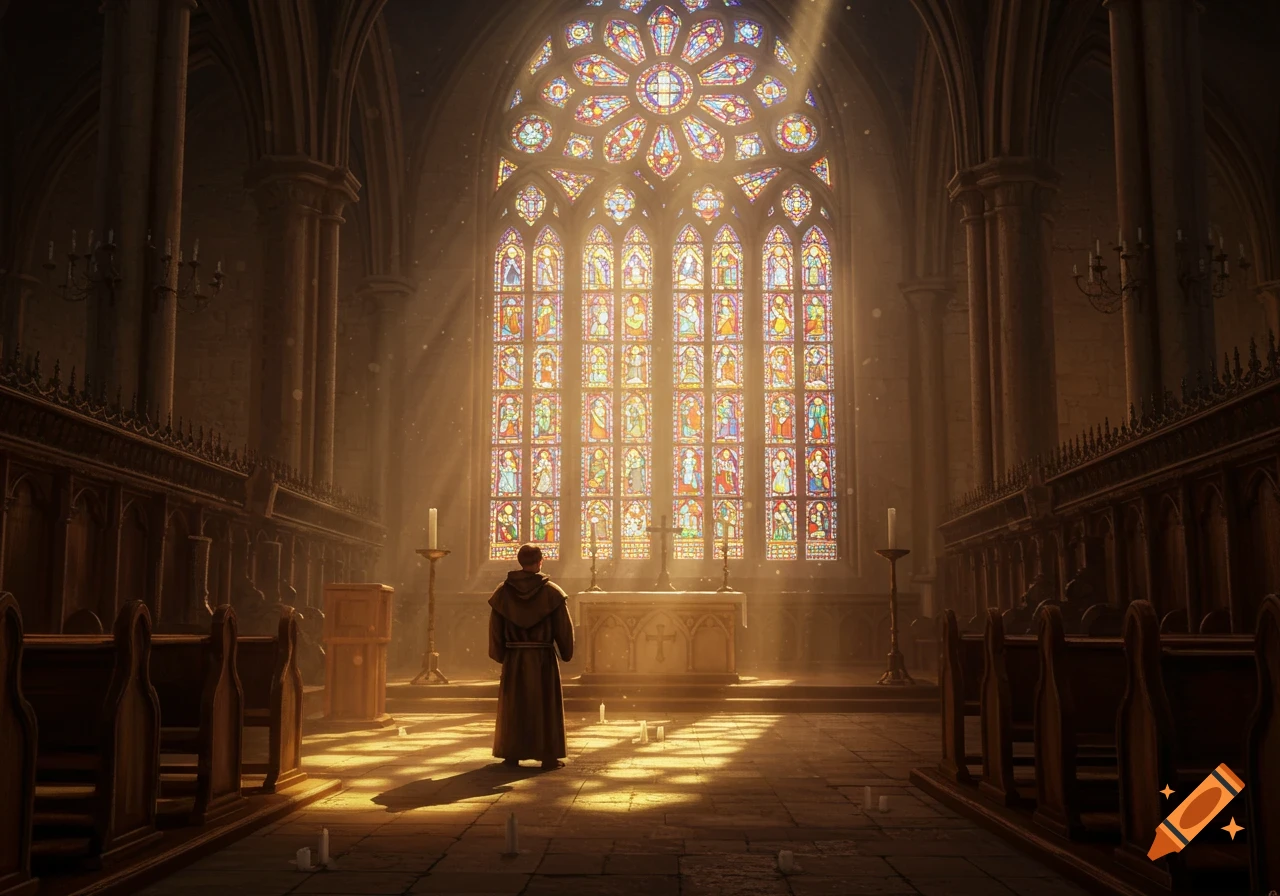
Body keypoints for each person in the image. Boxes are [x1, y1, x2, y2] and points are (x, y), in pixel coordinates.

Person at [488, 544, 574, 769]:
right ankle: (547, 755)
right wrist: (566, 651)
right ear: (540, 561)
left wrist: (501, 654)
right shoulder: (552, 593)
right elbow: (563, 629)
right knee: (543, 704)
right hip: (542, 658)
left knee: (515, 705)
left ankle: (511, 753)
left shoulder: (503, 593)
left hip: (516, 658)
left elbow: (495, 629)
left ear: (519, 561)